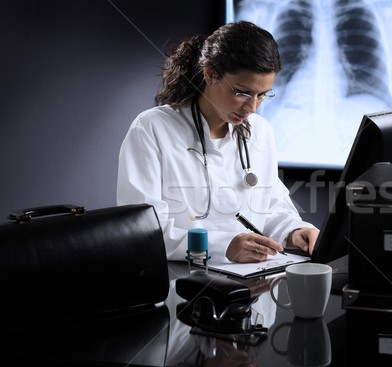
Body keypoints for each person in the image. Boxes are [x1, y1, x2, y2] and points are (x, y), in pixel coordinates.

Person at [117, 21, 319, 263]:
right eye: (242, 92)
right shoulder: (152, 129)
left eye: (262, 95)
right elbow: (143, 231)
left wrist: (294, 230)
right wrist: (223, 246)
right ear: (210, 73)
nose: (252, 107)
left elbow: (272, 206)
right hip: (180, 282)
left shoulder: (261, 132)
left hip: (252, 282)